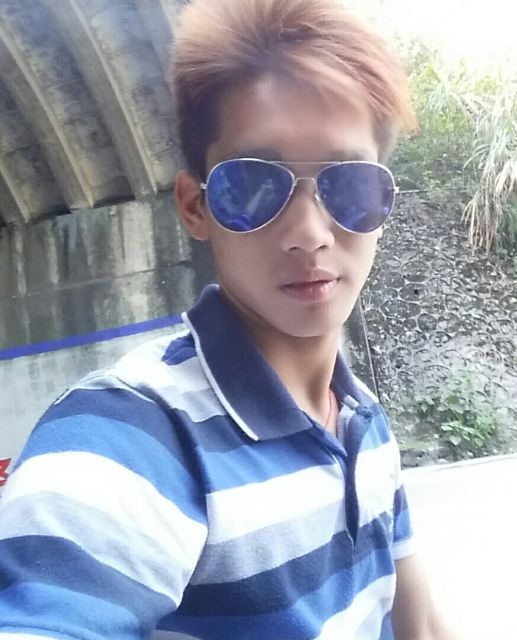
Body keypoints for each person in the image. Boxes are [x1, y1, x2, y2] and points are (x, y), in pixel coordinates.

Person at [0, 0, 454, 638]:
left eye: (349, 184)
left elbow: (420, 625)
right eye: (253, 186)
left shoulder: (363, 420)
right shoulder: (138, 433)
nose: (309, 233)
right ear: (196, 207)